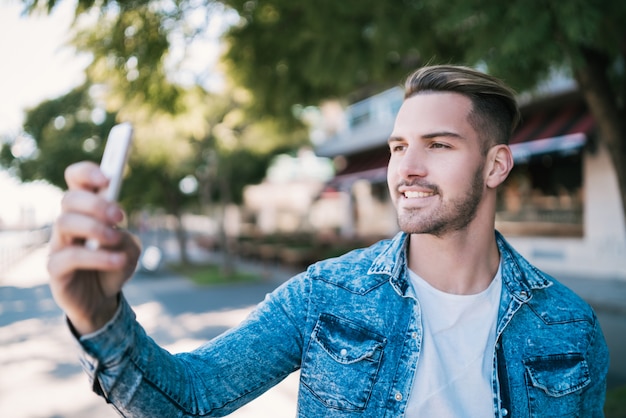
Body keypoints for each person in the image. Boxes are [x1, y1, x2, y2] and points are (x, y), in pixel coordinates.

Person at [48, 65, 609, 417]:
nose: (405, 169)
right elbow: (189, 397)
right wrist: (99, 319)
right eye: (396, 147)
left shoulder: (571, 325)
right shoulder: (326, 294)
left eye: (438, 145)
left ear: (496, 165)